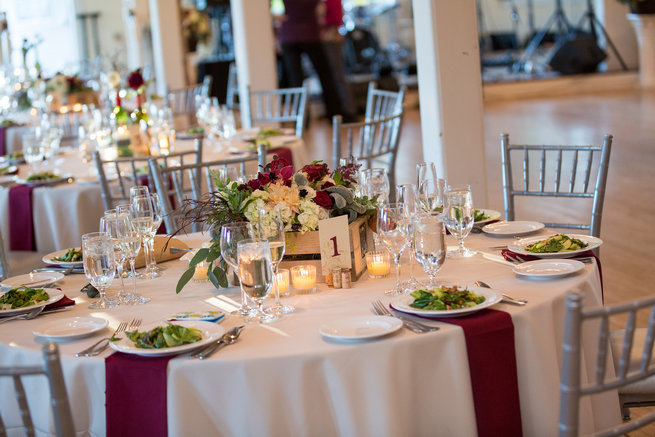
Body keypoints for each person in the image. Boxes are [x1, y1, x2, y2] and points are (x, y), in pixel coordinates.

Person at [277, 0, 344, 120]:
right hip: (310, 34)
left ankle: (301, 120)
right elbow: (322, 8)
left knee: (296, 80)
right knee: (325, 76)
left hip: (291, 35)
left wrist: (279, 17)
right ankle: (334, 115)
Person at [320, 0, 356, 121]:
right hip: (330, 37)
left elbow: (335, 19)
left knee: (338, 74)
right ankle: (343, 110)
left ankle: (349, 110)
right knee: (335, 75)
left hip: (332, 37)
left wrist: (320, 22)